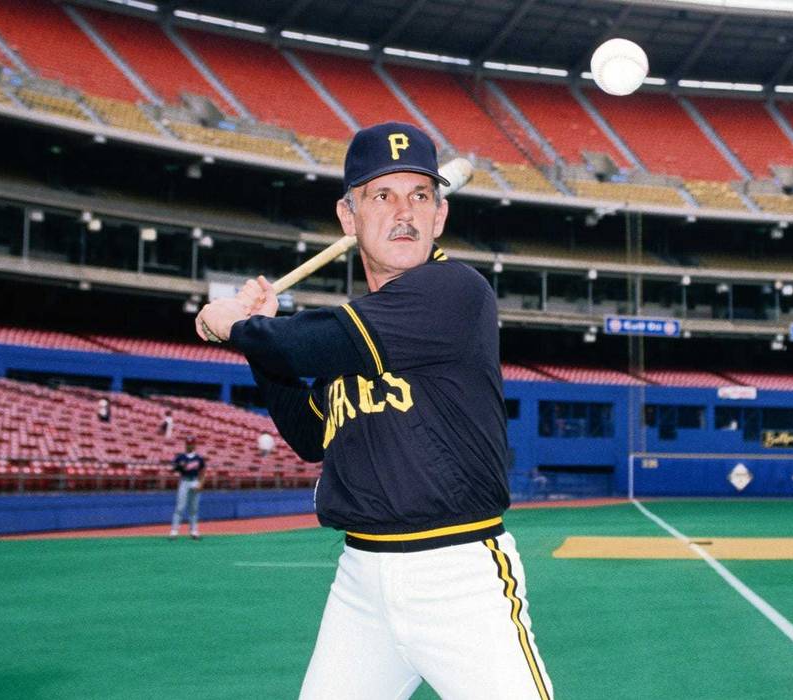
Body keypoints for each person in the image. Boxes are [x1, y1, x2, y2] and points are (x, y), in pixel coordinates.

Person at [195, 122, 552, 699]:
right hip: (361, 580)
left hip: (458, 573)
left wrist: (236, 322)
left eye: (419, 196)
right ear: (348, 216)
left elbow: (297, 343)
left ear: (439, 216)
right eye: (381, 196)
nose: (404, 212)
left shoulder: (454, 292)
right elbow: (311, 434)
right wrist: (262, 345)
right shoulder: (360, 331)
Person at [169, 437, 205, 540]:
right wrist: (178, 467)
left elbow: (203, 472)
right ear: (186, 444)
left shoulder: (199, 458)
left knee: (193, 508)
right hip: (184, 481)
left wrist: (201, 484)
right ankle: (174, 531)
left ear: (194, 445)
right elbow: (172, 468)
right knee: (180, 507)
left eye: (192, 443)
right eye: (188, 443)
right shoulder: (180, 457)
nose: (190, 445)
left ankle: (194, 531)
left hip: (194, 481)